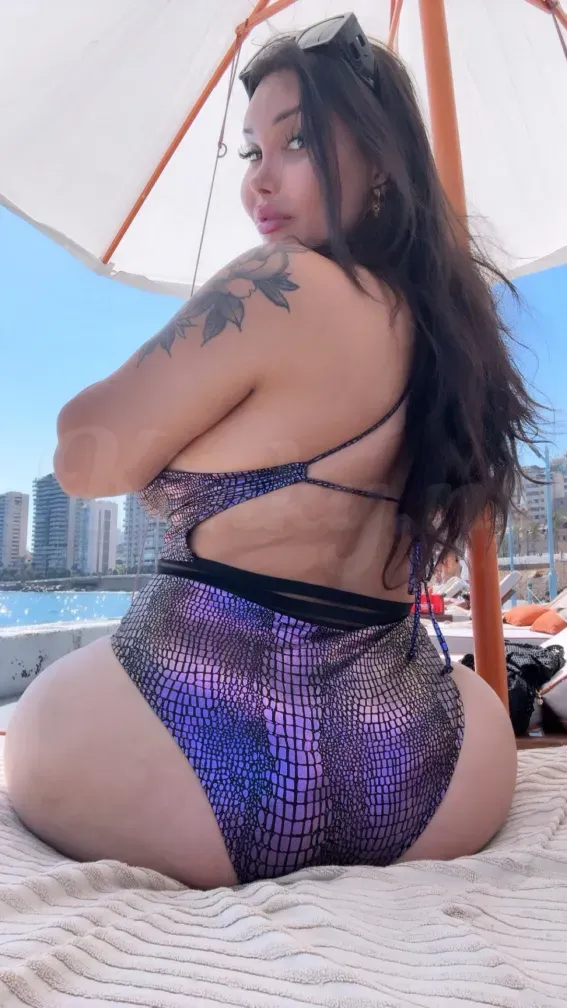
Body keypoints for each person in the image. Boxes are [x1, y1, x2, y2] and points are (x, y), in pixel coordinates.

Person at [6, 14, 535, 889]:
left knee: (39, 715)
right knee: (476, 700)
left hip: (175, 748)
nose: (260, 178)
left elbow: (81, 457)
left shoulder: (277, 284)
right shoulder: (452, 337)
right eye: (251, 150)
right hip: (427, 775)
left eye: (296, 140)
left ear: (378, 159)